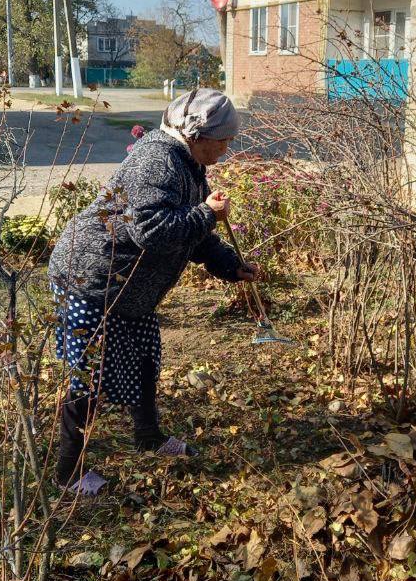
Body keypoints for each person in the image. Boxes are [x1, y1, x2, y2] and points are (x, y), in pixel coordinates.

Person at [47, 88, 258, 495]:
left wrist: (229, 263)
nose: (227, 149)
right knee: (89, 379)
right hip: (92, 280)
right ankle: (68, 474)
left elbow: (190, 234)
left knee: (145, 359)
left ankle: (148, 437)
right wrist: (206, 214)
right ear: (197, 134)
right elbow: (152, 231)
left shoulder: (187, 162)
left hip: (130, 290)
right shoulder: (156, 160)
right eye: (224, 140)